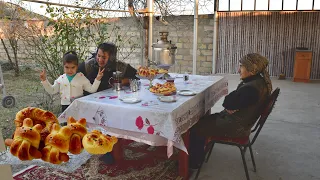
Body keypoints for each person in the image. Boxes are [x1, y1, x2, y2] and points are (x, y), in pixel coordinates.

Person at [189, 53, 273, 169]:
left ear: (252, 70)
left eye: (242, 67)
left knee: (195, 126)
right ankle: (201, 150)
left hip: (235, 126)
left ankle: (194, 163)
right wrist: (233, 104)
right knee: (205, 120)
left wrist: (232, 103)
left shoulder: (250, 89)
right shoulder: (259, 82)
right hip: (242, 122)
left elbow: (227, 102)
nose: (239, 70)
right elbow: (231, 104)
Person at [40, 51, 105, 112]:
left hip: (79, 106)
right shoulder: (61, 79)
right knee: (67, 124)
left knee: (78, 123)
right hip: (65, 107)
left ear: (77, 67)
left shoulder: (81, 78)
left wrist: (98, 78)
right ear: (63, 67)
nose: (69, 70)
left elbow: (92, 90)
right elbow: (52, 90)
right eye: (67, 67)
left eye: (72, 67)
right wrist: (44, 80)